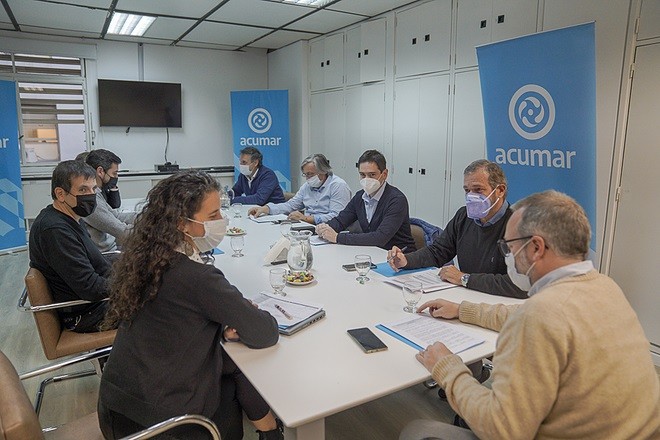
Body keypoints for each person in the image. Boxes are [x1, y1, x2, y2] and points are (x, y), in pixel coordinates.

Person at [400, 191, 660, 440]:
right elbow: (524, 313)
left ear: (536, 247)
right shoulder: (604, 286)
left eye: (510, 247)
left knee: (417, 431)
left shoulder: (541, 315)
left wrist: (447, 367)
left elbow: (500, 429)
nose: (508, 256)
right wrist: (462, 309)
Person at [98, 171, 283, 440]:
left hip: (118, 409)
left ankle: (271, 433)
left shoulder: (147, 260)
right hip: (165, 426)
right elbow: (265, 332)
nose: (222, 221)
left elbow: (174, 320)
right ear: (182, 224)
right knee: (238, 371)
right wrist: (240, 318)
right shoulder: (197, 277)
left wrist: (219, 328)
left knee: (232, 370)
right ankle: (273, 432)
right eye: (213, 215)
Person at [388, 159, 526, 299]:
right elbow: (438, 251)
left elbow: (521, 284)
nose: (471, 196)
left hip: (501, 303)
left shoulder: (519, 225)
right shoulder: (463, 216)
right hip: (467, 295)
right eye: (467, 190)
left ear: (500, 190)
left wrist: (464, 278)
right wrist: (406, 260)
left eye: (478, 189)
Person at [28, 160, 112, 333]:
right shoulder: (55, 231)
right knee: (160, 304)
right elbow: (90, 288)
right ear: (60, 194)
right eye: (83, 190)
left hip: (95, 304)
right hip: (87, 313)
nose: (91, 195)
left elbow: (92, 262)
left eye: (93, 189)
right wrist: (131, 284)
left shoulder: (71, 218)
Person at [316, 150, 416, 251]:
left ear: (384, 174)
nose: (367, 179)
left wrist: (337, 237)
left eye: (372, 174)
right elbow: (341, 221)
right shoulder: (360, 197)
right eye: (362, 175)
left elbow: (380, 238)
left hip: (399, 255)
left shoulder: (396, 200)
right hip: (372, 251)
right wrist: (324, 228)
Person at [248, 153, 351, 224]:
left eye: (310, 174)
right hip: (307, 226)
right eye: (305, 174)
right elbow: (291, 205)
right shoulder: (307, 186)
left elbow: (337, 216)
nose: (307, 178)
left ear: (323, 171)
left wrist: (307, 218)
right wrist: (266, 208)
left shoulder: (338, 186)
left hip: (329, 229)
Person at [81, 149, 136, 253]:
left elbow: (116, 216)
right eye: (114, 173)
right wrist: (153, 228)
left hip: (112, 247)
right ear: (100, 171)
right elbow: (120, 230)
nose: (116, 177)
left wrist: (147, 216)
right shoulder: (90, 199)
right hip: (106, 254)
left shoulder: (98, 193)